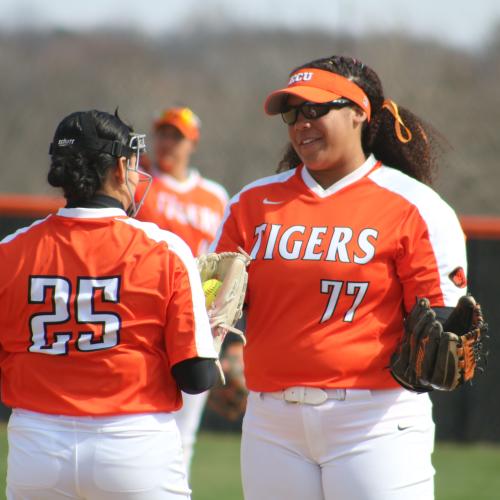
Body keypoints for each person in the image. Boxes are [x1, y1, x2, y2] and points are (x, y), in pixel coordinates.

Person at [210, 55, 468, 500]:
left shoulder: (415, 206)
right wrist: (216, 344)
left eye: (315, 109)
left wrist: (442, 338)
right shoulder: (252, 204)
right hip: (272, 421)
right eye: (292, 113)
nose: (301, 124)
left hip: (375, 421)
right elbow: (216, 304)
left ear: (358, 114)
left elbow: (443, 320)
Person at [0, 109, 218, 500]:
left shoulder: (9, 251)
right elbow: (196, 378)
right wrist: (209, 331)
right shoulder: (164, 249)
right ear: (120, 166)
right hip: (133, 445)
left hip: (37, 449)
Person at [135, 106, 229, 472]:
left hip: (197, 319)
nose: (168, 142)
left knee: (184, 433)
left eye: (177, 136)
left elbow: (224, 263)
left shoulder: (214, 195)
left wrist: (228, 339)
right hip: (145, 316)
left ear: (193, 143)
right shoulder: (139, 184)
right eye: (163, 134)